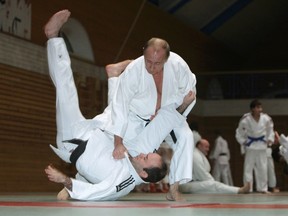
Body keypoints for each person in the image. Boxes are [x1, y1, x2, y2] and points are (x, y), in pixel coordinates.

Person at [44, 9, 192, 201]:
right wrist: (183, 104)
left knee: (65, 92)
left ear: (144, 174)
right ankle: (58, 39)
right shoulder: (139, 150)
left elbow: (100, 193)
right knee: (121, 112)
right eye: (148, 153)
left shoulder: (124, 181)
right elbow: (163, 120)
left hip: (73, 141)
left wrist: (65, 181)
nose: (144, 154)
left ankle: (53, 38)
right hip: (97, 130)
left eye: (146, 158)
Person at [105, 34, 197, 201]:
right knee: (112, 144)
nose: (152, 67)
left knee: (185, 136)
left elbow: (189, 95)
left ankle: (174, 188)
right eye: (148, 61)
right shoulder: (135, 70)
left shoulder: (178, 66)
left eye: (157, 63)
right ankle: (82, 180)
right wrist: (118, 142)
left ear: (167, 59)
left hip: (170, 111)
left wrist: (179, 108)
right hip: (136, 115)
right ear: (143, 53)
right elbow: (120, 105)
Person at [179, 139, 250, 194]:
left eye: (208, 147)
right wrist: (212, 181)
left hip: (191, 184)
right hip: (185, 185)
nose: (208, 149)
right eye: (206, 147)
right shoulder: (195, 155)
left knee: (211, 188)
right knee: (213, 185)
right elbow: (201, 174)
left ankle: (237, 190)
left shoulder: (198, 154)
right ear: (199, 146)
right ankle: (239, 190)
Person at [235, 99, 274, 193]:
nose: (260, 109)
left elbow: (270, 130)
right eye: (258, 107)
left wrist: (270, 139)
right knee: (248, 168)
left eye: (260, 107)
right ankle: (248, 187)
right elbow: (239, 132)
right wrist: (243, 142)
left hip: (262, 145)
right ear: (252, 109)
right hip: (251, 146)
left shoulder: (266, 118)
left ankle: (263, 188)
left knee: (263, 167)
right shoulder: (245, 119)